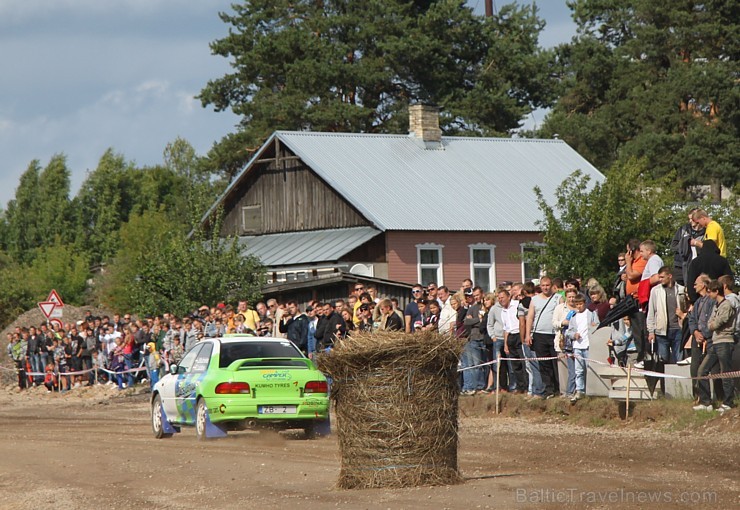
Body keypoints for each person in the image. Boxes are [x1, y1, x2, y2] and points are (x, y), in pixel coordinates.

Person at [694, 280, 735, 412]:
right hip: (715, 342)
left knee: (725, 373)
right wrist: (711, 324)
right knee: (702, 371)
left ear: (716, 291)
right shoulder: (716, 306)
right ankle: (706, 402)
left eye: (710, 291)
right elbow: (710, 322)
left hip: (725, 341)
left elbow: (717, 322)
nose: (708, 294)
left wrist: (712, 325)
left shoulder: (726, 305)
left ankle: (728, 402)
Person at [525, 276, 561, 399]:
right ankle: (548, 389)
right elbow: (530, 317)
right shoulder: (534, 300)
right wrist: (527, 334)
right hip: (539, 334)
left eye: (547, 285)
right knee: (543, 363)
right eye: (543, 285)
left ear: (551, 285)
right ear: (540, 286)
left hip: (553, 334)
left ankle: (558, 388)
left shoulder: (558, 298)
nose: (545, 288)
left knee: (555, 363)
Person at [646, 266, 688, 364]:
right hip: (661, 331)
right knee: (662, 360)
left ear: (670, 276)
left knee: (679, 359)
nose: (660, 280)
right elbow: (651, 312)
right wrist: (651, 331)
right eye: (659, 277)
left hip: (678, 329)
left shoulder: (681, 290)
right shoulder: (656, 291)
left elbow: (686, 308)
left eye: (662, 277)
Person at [564, 293, 599, 403]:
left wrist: (594, 326)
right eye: (577, 304)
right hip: (577, 346)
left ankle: (591, 390)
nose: (579, 306)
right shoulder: (574, 317)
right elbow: (568, 332)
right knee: (579, 370)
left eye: (581, 304)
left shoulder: (592, 314)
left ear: (585, 303)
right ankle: (580, 390)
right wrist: (574, 335)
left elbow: (598, 325)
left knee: (589, 368)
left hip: (588, 345)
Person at [686, 239, 733, 304]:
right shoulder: (723, 261)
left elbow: (690, 282)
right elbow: (728, 280)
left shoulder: (695, 262)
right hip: (718, 298)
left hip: (700, 300)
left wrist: (693, 300)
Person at [498, 288, 526, 393]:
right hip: (511, 337)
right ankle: (520, 387)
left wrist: (523, 337)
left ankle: (527, 386)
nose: (501, 300)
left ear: (508, 297)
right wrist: (505, 344)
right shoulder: (503, 311)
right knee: (515, 365)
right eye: (499, 298)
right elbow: (506, 329)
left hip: (519, 334)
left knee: (524, 363)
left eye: (502, 298)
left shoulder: (517, 305)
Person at [670, 208, 706, 285]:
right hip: (680, 266)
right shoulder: (683, 229)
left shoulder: (706, 232)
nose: (690, 221)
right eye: (689, 219)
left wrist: (696, 244)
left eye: (692, 219)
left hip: (697, 267)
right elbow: (673, 246)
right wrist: (685, 244)